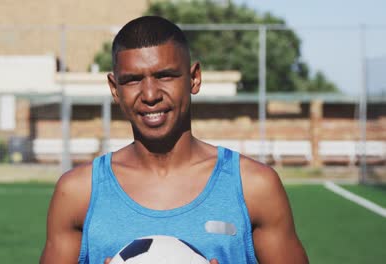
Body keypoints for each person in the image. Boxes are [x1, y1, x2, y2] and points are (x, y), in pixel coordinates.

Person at [40, 16, 308, 264]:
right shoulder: (78, 192)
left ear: (194, 78)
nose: (150, 94)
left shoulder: (254, 187)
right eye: (133, 80)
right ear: (114, 89)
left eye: (164, 76)